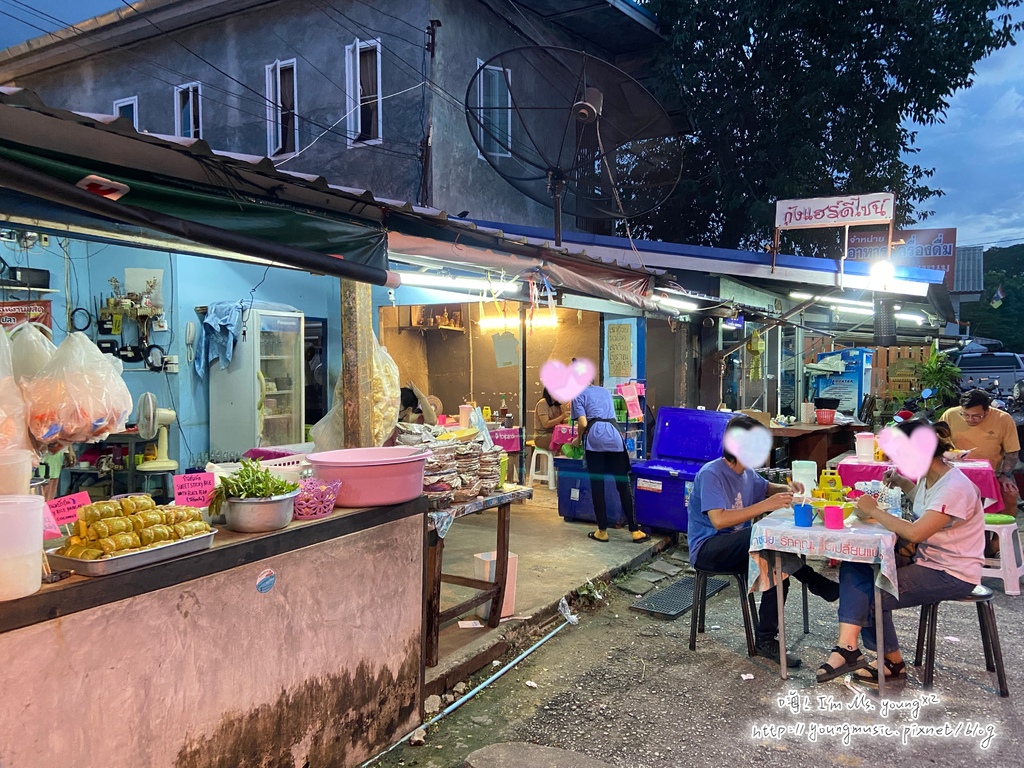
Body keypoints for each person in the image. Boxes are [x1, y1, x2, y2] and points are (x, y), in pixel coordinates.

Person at [816, 420, 985, 685]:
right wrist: (902, 482)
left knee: (873, 594)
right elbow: (924, 499)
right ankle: (848, 648)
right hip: (927, 560)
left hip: (951, 571)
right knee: (856, 564)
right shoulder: (935, 478)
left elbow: (916, 533)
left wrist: (873, 510)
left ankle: (890, 662)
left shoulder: (954, 487)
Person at [688, 414, 840, 668]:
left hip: (740, 545)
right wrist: (765, 505)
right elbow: (719, 521)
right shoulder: (712, 474)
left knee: (776, 563)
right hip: (709, 548)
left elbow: (766, 487)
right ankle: (814, 581)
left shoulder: (746, 472)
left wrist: (787, 490)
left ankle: (766, 639)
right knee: (764, 535)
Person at [940, 388, 1019, 555]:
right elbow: (939, 442)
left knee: (1011, 494)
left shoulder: (1003, 419)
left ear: (987, 411)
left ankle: (996, 544)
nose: (970, 420)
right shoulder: (950, 415)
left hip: (993, 474)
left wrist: (1005, 475)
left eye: (976, 416)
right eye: (965, 415)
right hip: (955, 472)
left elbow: (1012, 452)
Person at [571, 372, 648, 544]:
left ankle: (602, 531)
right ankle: (635, 531)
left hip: (595, 437)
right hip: (614, 435)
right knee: (622, 483)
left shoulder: (577, 395)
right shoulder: (604, 391)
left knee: (597, 484)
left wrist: (577, 440)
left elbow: (583, 423)